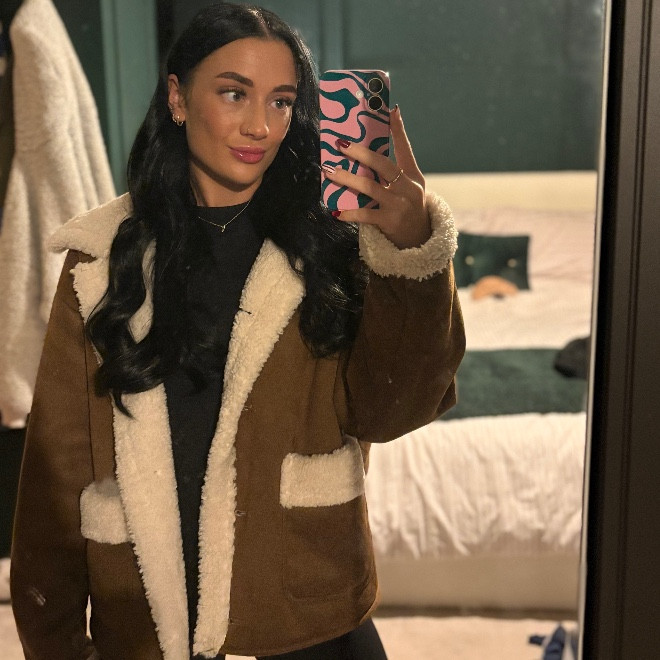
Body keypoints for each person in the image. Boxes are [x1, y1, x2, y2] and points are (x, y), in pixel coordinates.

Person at [10, 3, 465, 659]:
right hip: (146, 623)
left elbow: (394, 409)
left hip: (307, 614)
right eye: (233, 93)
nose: (261, 126)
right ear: (177, 98)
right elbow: (54, 477)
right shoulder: (100, 259)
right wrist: (54, 640)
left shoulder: (331, 247)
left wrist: (412, 250)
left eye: (282, 101)